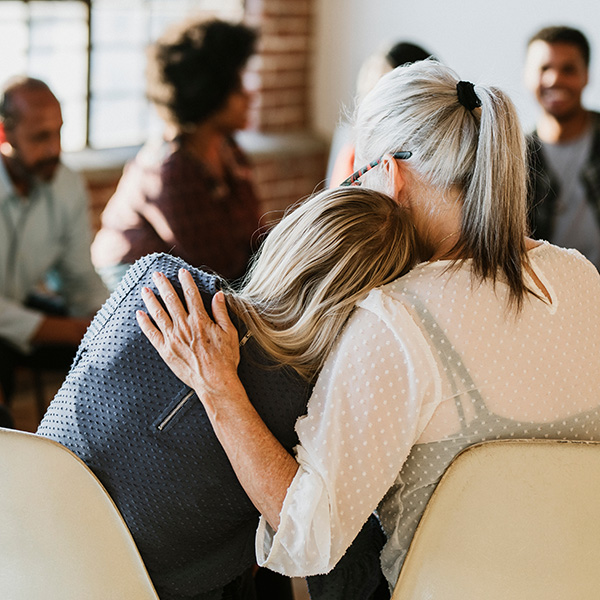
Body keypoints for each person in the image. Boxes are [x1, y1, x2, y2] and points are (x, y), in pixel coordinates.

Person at [138, 60, 600, 593]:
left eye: (361, 174)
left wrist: (217, 387)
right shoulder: (580, 276)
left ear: (393, 173)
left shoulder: (398, 318)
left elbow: (308, 538)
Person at [39, 186, 418, 600]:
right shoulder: (315, 408)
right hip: (137, 587)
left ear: (290, 238)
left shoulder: (156, 278)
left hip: (28, 534)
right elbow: (335, 567)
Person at [91, 18, 261, 291]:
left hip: (198, 280)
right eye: (238, 87)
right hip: (137, 288)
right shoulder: (169, 170)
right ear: (211, 93)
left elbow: (255, 236)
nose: (250, 96)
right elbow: (218, 267)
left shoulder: (229, 149)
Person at [0, 76, 108, 409]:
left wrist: (107, 324)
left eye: (58, 132)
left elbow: (79, 279)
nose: (54, 150)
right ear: (3, 134)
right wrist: (76, 330)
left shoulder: (67, 185)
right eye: (40, 137)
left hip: (19, 308)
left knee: (111, 350)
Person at [524, 25, 600, 270]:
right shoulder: (514, 158)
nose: (555, 78)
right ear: (527, 75)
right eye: (545, 68)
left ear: (586, 75)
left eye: (568, 69)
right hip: (549, 302)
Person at [327, 41, 434, 187]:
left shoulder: (425, 160)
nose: (367, 99)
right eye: (366, 89)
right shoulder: (350, 147)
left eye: (378, 89)